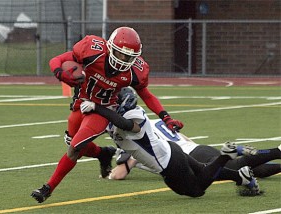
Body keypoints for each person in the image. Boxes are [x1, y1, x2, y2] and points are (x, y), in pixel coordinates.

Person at [31, 26, 183, 203]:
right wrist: (60, 74)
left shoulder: (135, 71)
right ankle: (103, 153)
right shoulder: (92, 50)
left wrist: (166, 117)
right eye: (120, 54)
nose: (124, 59)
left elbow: (146, 94)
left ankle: (48, 188)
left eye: (129, 56)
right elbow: (57, 60)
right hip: (80, 104)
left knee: (74, 148)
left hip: (102, 110)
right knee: (75, 142)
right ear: (110, 47)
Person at [80, 87, 261, 197]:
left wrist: (98, 108)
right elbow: (94, 129)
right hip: (172, 150)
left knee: (197, 190)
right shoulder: (113, 118)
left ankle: (224, 156)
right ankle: (241, 177)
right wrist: (74, 136)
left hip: (168, 161)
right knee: (204, 171)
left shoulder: (133, 117)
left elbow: (125, 124)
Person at [109, 119, 281, 180]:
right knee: (249, 170)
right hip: (197, 149)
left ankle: (278, 151)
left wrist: (110, 173)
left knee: (236, 166)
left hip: (192, 157)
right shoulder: (151, 121)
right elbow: (184, 138)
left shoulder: (135, 137)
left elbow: (119, 174)